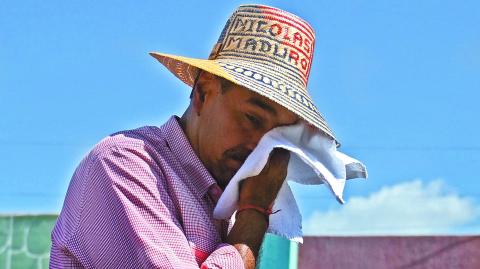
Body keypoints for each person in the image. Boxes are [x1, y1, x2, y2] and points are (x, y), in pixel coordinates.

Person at [50, 4, 339, 269]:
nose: (262, 147)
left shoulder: (223, 206)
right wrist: (254, 214)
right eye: (252, 118)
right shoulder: (124, 164)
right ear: (203, 93)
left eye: (280, 134)